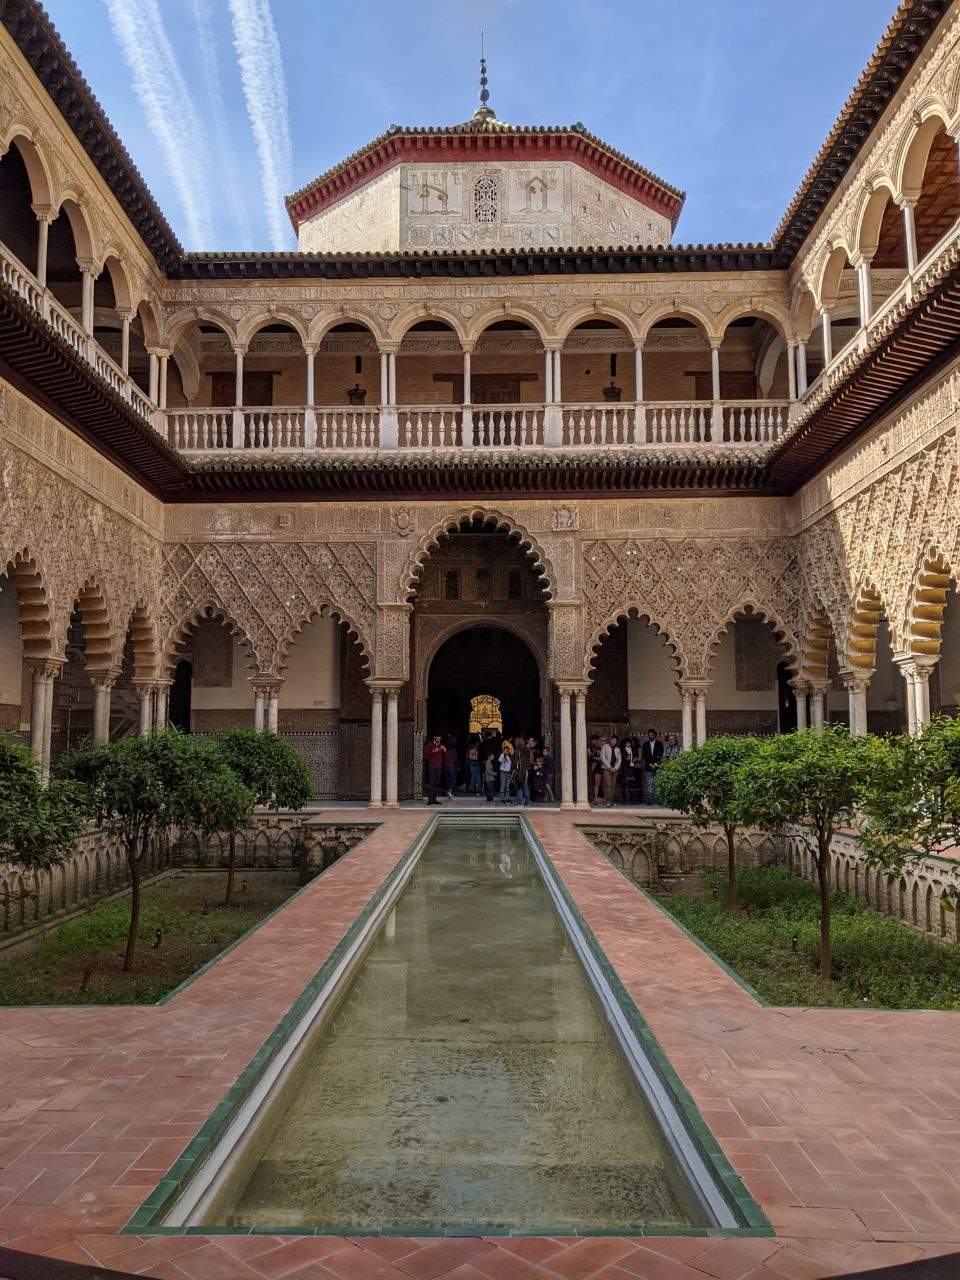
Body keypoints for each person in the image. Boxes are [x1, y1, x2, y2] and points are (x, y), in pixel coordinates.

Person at [640, 727, 664, 805]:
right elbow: (645, 755)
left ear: (655, 735)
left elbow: (660, 755)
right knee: (649, 783)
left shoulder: (659, 744)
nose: (650, 736)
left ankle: (658, 799)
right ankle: (649, 799)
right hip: (648, 767)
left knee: (657, 783)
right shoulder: (645, 744)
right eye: (649, 735)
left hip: (657, 767)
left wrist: (656, 764)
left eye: (651, 735)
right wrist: (650, 764)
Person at [600, 734, 622, 807]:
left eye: (615, 740)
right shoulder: (605, 747)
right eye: (612, 739)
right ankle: (608, 801)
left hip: (614, 770)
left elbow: (619, 760)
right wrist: (609, 767)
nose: (613, 741)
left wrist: (615, 768)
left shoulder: (617, 749)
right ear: (610, 740)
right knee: (608, 785)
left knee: (613, 785)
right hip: (607, 769)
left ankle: (612, 801)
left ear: (617, 742)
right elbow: (603, 758)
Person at [424, 734, 446, 805]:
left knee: (436, 783)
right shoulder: (430, 745)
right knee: (431, 783)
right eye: (437, 737)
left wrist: (444, 749)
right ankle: (430, 800)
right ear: (434, 737)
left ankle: (434, 799)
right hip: (432, 766)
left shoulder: (441, 745)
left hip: (439, 766)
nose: (438, 738)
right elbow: (427, 755)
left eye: (439, 737)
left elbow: (444, 753)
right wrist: (434, 751)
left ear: (440, 738)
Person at [590, 734, 603, 804]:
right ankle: (596, 798)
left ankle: (604, 798)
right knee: (597, 783)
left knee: (604, 784)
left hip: (603, 767)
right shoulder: (596, 749)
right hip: (598, 767)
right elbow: (595, 758)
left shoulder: (604, 748)